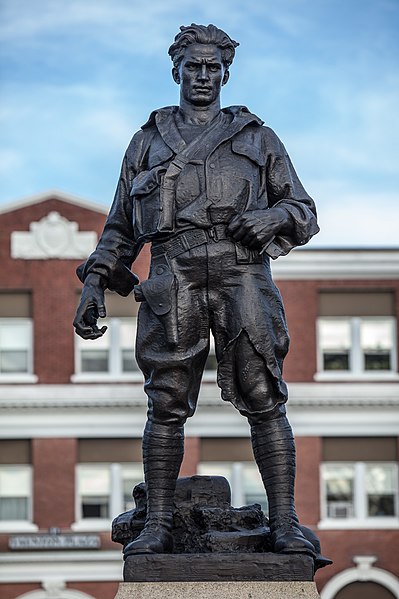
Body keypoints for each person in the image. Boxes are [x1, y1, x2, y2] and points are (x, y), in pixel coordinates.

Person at [74, 23, 320, 558]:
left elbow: (304, 211)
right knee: (165, 402)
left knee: (264, 398)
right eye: (194, 66)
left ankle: (285, 524)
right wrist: (95, 281)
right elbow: (120, 225)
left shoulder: (258, 137)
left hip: (243, 271)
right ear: (177, 71)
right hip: (173, 273)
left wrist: (271, 215)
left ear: (226, 72)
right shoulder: (147, 140)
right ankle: (157, 524)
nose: (203, 75)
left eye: (213, 67)